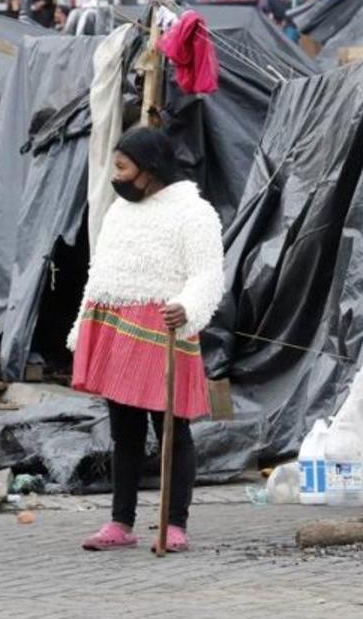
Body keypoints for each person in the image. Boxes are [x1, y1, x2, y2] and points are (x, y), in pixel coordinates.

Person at [69, 127, 225, 554]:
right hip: (118, 330)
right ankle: (121, 522)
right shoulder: (118, 213)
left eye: (122, 167)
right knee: (125, 433)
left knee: (173, 431)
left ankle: (174, 523)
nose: (115, 176)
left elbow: (208, 274)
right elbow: (100, 273)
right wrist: (83, 327)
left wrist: (188, 308)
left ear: (150, 169)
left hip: (165, 331)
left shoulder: (194, 214)